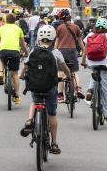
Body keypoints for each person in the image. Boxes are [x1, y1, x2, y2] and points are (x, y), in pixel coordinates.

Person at [20, 25, 71, 155]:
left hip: (36, 86)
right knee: (52, 114)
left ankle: (30, 120)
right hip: (50, 87)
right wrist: (68, 77)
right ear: (54, 38)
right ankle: (54, 143)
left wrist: (22, 75)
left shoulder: (33, 51)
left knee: (34, 101)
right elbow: (65, 68)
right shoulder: (56, 52)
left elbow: (25, 66)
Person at [81, 18, 107, 123]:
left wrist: (84, 61)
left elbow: (85, 50)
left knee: (94, 74)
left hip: (92, 62)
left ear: (96, 27)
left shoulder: (89, 36)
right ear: (106, 28)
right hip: (104, 63)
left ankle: (90, 90)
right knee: (106, 89)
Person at [0, 13, 29, 105]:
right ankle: (16, 96)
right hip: (15, 52)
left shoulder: (1, 28)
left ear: (5, 20)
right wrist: (26, 53)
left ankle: (1, 73)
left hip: (3, 51)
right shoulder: (18, 29)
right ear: (14, 20)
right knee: (15, 74)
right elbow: (22, 44)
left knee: (1, 59)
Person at [54, 9, 85, 102]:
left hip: (61, 51)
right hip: (72, 51)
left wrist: (54, 51)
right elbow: (80, 41)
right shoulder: (76, 27)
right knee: (74, 72)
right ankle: (78, 88)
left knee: (61, 72)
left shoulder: (59, 28)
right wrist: (84, 52)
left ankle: (60, 96)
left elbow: (57, 41)